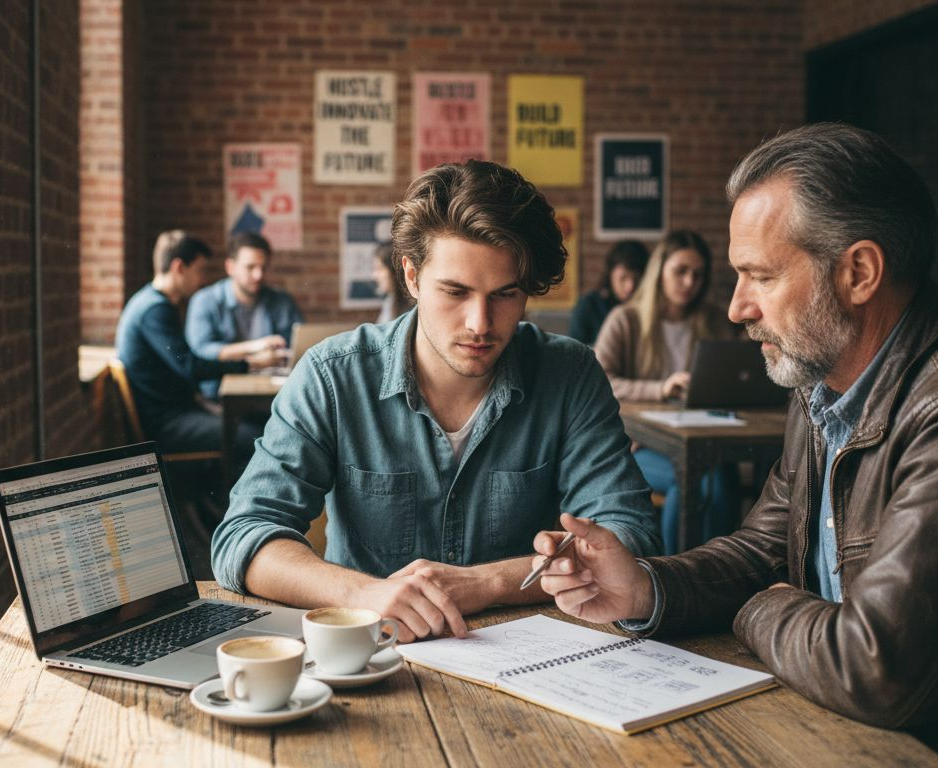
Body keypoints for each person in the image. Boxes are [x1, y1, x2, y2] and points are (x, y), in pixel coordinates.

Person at [533, 124, 938, 767]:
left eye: (760, 276)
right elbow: (765, 548)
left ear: (859, 272)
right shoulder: (823, 384)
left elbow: (876, 665)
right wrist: (645, 586)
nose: (736, 308)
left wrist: (763, 610)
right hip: (838, 720)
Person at [212, 160, 660, 642]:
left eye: (505, 294)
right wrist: (361, 594)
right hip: (374, 652)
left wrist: (486, 583)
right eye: (455, 291)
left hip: (529, 656)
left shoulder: (569, 374)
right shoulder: (333, 375)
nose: (480, 323)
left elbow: (629, 537)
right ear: (411, 277)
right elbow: (245, 536)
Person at [593, 230, 740, 554]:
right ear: (660, 270)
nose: (690, 282)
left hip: (701, 439)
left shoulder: (714, 320)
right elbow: (598, 379)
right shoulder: (626, 319)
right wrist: (660, 388)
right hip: (642, 444)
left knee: (719, 482)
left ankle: (721, 576)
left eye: (698, 274)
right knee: (692, 482)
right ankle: (677, 574)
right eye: (681, 271)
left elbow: (735, 374)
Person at [114, 231, 269, 458]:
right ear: (179, 267)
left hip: (175, 412)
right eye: (200, 270)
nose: (203, 279)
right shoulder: (155, 310)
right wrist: (248, 365)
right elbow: (190, 367)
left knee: (255, 426)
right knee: (259, 437)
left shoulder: (149, 301)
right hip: (167, 424)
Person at [186, 232, 304, 398]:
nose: (259, 275)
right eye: (250, 267)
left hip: (273, 394)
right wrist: (256, 346)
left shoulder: (282, 301)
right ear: (230, 267)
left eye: (263, 268)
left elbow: (298, 347)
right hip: (220, 397)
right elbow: (201, 351)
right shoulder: (205, 300)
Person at [568, 239, 649, 345]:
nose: (630, 286)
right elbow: (574, 350)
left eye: (637, 279)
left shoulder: (649, 306)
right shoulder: (590, 305)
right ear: (610, 274)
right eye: (623, 278)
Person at [372, 241, 414, 324]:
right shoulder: (390, 302)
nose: (374, 276)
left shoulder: (412, 311)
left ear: (395, 271)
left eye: (380, 269)